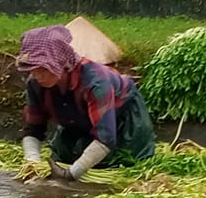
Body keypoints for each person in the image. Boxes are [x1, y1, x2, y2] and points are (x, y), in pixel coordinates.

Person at [16, 24, 156, 181]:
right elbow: (33, 128)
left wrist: (71, 174)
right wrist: (32, 162)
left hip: (121, 120)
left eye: (43, 70)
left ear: (60, 64)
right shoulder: (35, 84)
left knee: (116, 163)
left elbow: (106, 137)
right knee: (64, 158)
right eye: (32, 70)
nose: (37, 76)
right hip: (77, 119)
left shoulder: (95, 82)